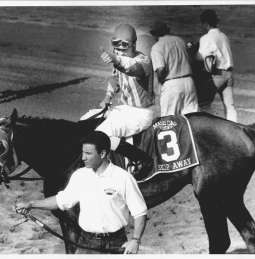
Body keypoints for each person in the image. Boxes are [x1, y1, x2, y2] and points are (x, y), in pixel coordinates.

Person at [15, 131, 147, 254]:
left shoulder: (123, 177)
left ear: (102, 154)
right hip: (86, 243)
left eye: (88, 153)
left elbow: (140, 212)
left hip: (116, 244)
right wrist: (31, 204)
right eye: (82, 152)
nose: (83, 157)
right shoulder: (79, 176)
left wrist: (135, 240)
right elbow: (61, 201)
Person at [95, 23, 156, 179]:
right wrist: (107, 98)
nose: (119, 50)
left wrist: (116, 59)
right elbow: (115, 78)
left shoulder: (144, 61)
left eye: (124, 47)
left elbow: (131, 69)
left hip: (142, 112)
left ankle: (141, 160)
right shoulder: (119, 61)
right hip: (125, 108)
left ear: (133, 45)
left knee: (102, 135)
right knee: (89, 119)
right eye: (116, 46)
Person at [196, 9, 238, 122]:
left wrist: (193, 49)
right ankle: (234, 131)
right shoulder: (224, 36)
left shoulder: (205, 38)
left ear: (205, 23)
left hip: (217, 74)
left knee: (203, 103)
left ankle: (209, 129)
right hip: (229, 74)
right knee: (230, 106)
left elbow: (201, 57)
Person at [150, 21, 199, 116]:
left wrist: (160, 82)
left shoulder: (157, 47)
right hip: (189, 82)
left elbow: (161, 69)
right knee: (191, 119)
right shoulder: (179, 40)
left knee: (169, 121)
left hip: (172, 85)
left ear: (155, 35)